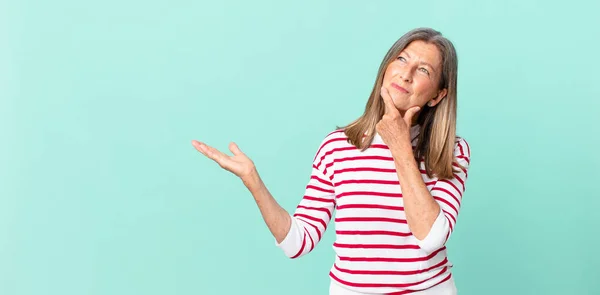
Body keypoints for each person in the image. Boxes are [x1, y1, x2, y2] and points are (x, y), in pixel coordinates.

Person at [192, 27, 471, 295]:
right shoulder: (338, 146)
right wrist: (253, 181)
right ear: (387, 67)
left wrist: (399, 146)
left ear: (437, 95)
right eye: (401, 59)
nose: (406, 74)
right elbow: (297, 242)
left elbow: (431, 238)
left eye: (424, 70)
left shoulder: (451, 152)